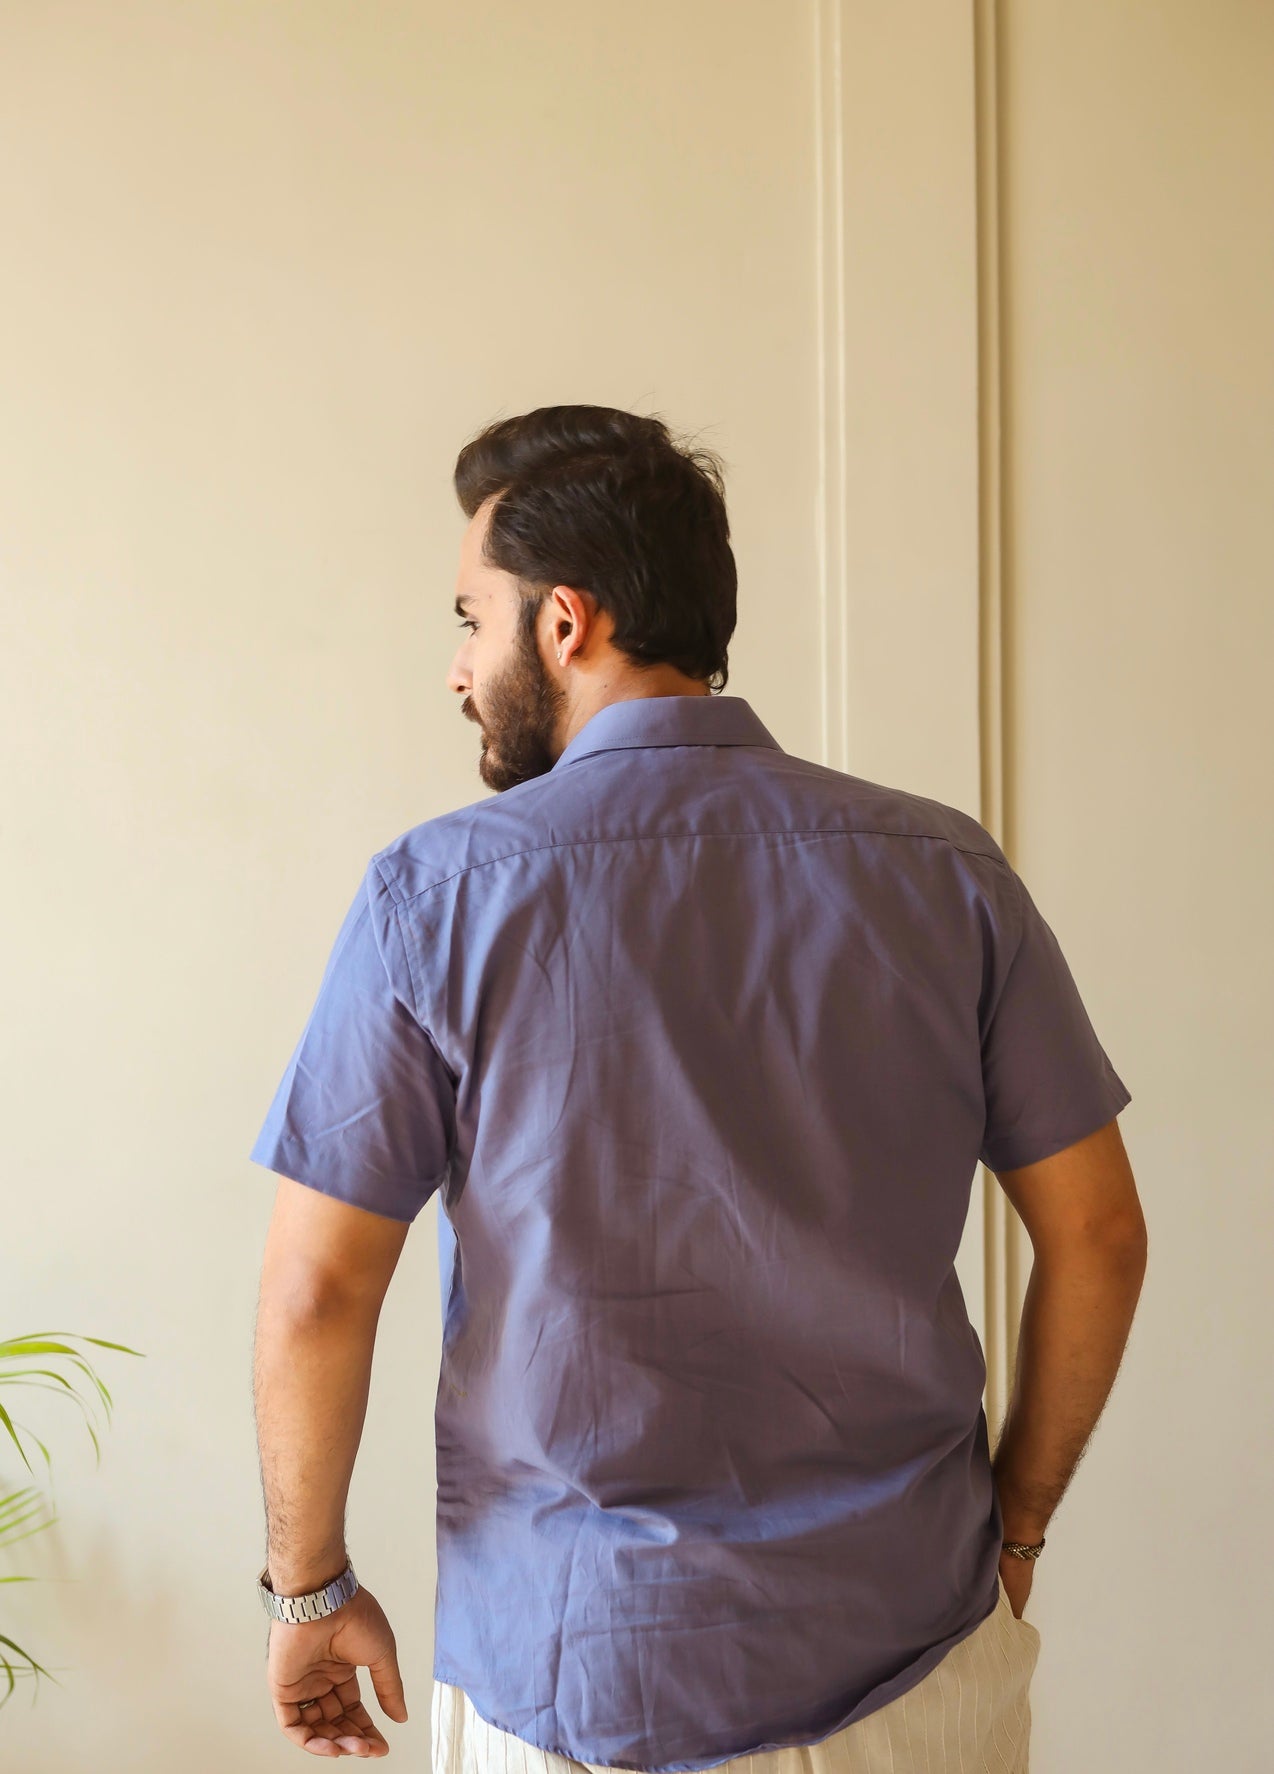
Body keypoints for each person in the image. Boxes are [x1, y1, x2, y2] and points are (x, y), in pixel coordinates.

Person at [249, 405, 1147, 1771]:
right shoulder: (943, 873)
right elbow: (1097, 1233)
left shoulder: (433, 900)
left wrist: (309, 1591)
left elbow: (318, 1291)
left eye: (469, 619)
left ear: (567, 623)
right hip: (912, 1666)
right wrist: (1013, 1528)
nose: (456, 668)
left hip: (573, 1678)